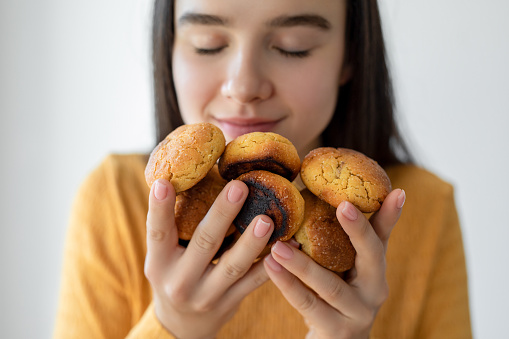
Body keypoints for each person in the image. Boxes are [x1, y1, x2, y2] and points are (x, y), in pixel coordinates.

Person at [54, 0, 472, 338]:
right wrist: (173, 327)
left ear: (350, 56)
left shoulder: (425, 209)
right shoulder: (115, 198)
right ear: (169, 49)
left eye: (293, 45)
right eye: (208, 44)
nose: (244, 85)